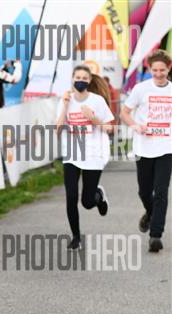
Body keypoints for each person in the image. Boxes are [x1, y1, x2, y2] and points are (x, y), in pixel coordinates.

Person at [56, 64, 115, 250]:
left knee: (87, 202)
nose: (80, 81)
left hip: (93, 154)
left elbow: (110, 128)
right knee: (71, 196)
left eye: (84, 78)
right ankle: (76, 238)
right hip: (72, 155)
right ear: (72, 79)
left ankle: (98, 195)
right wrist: (65, 107)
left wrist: (92, 118)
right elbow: (58, 130)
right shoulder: (65, 100)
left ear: (89, 81)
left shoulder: (97, 101)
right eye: (77, 78)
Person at [120, 49, 172, 253]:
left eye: (162, 70)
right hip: (143, 147)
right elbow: (124, 113)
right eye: (155, 70)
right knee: (144, 191)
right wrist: (135, 125)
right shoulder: (141, 89)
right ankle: (150, 214)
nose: (158, 74)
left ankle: (155, 235)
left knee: (161, 192)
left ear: (168, 69)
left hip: (166, 148)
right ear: (150, 69)